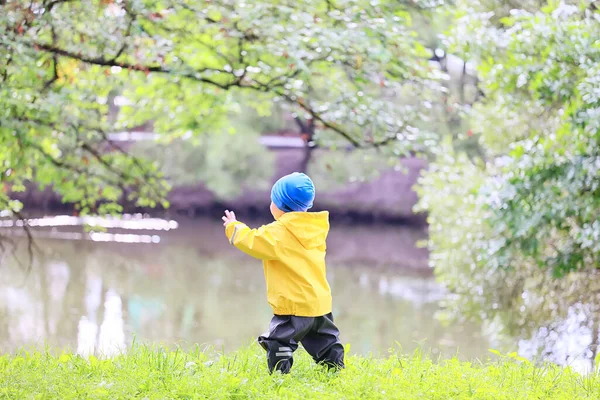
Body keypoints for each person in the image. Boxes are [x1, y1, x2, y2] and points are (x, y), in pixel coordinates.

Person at [222, 172, 345, 374]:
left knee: (279, 341)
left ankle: (280, 375)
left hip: (293, 305)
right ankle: (335, 370)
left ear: (278, 206)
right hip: (320, 303)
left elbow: (253, 241)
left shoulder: (279, 232)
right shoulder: (316, 229)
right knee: (326, 340)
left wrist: (233, 227)